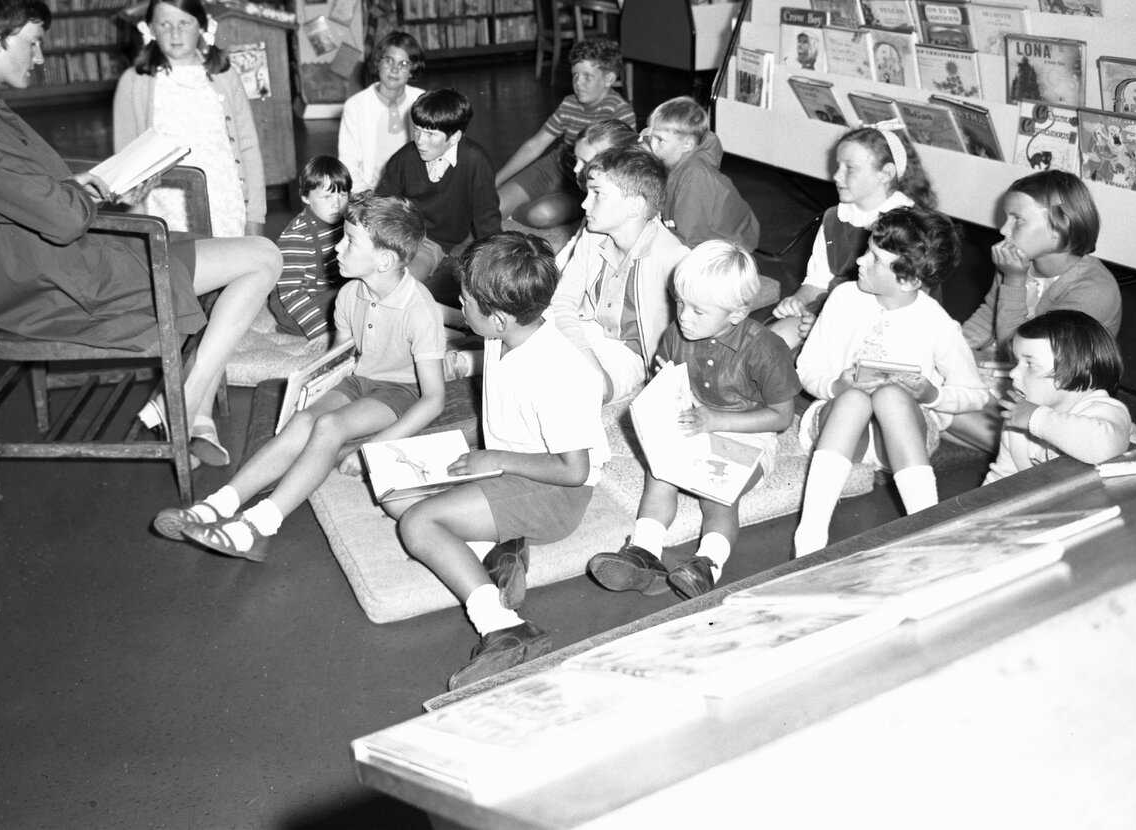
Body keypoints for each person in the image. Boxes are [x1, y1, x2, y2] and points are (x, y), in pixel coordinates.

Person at [0, 0, 281, 468]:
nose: (39, 58)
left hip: (74, 262)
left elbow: (33, 191)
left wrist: (94, 182)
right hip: (65, 285)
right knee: (262, 259)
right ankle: (184, 399)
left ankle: (183, 397)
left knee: (247, 257)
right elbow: (64, 216)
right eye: (32, 42)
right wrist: (94, 191)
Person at [157, 194, 446, 557]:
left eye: (349, 241)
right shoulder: (349, 294)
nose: (337, 247)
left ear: (384, 260)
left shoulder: (421, 312)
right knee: (303, 420)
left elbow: (434, 399)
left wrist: (374, 450)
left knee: (328, 427)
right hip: (359, 380)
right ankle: (219, 504)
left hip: (400, 393)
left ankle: (260, 526)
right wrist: (313, 388)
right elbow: (342, 361)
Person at [393, 233, 609, 691]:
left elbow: (577, 471)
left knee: (417, 525)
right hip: (509, 469)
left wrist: (495, 458)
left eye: (466, 303)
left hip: (555, 494)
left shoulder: (558, 372)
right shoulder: (504, 332)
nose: (461, 307)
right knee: (399, 490)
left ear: (499, 317)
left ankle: (503, 627)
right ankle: (501, 547)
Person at [587, 242, 798, 600]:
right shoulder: (678, 333)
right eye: (680, 302)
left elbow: (781, 417)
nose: (683, 316)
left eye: (698, 310)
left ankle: (706, 564)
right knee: (660, 472)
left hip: (750, 434)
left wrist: (715, 420)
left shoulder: (765, 348)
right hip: (694, 418)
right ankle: (644, 552)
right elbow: (666, 382)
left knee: (717, 493)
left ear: (737, 313)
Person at [791, 206, 987, 557]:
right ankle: (809, 542)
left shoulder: (936, 323)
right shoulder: (843, 298)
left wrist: (931, 393)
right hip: (839, 426)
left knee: (892, 397)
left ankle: (927, 528)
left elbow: (975, 395)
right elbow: (808, 367)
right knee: (854, 400)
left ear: (909, 280)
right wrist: (838, 386)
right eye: (867, 250)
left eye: (875, 259)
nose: (860, 261)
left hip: (901, 438)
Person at [953, 170, 1122, 453]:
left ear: (1059, 227)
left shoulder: (1094, 289)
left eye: (1017, 219)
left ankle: (1033, 446)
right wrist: (952, 349)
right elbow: (989, 313)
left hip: (1051, 386)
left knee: (937, 402)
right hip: (1009, 369)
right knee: (928, 376)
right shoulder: (1020, 261)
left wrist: (1014, 281)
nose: (1003, 230)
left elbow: (1018, 350)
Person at [112, 0, 266, 238]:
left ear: (203, 26)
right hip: (165, 211)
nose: (175, 33)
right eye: (165, 25)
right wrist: (139, 219)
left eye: (185, 23)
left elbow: (248, 148)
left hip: (226, 203)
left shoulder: (224, 76)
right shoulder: (135, 82)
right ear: (150, 29)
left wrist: (256, 218)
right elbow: (126, 159)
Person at [770, 124, 933, 349]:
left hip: (887, 324)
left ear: (885, 174)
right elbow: (818, 281)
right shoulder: (835, 217)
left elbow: (897, 306)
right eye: (838, 166)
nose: (836, 175)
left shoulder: (908, 225)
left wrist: (827, 326)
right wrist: (798, 301)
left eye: (850, 168)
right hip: (834, 307)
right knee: (772, 343)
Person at [548, 146, 689, 402]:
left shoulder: (673, 257)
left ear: (635, 205)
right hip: (586, 328)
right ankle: (471, 362)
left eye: (597, 194)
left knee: (580, 391)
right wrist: (584, 353)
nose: (584, 203)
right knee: (517, 343)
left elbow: (695, 327)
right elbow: (563, 301)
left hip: (628, 352)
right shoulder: (593, 233)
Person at [494, 38, 635, 228]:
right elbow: (534, 145)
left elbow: (622, 170)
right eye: (575, 75)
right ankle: (524, 202)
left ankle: (519, 213)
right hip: (556, 166)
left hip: (584, 185)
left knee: (542, 214)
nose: (578, 83)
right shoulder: (569, 103)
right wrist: (495, 180)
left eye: (587, 76)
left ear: (609, 79)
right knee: (493, 207)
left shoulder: (621, 113)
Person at [376, 88, 501, 296]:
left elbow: (487, 218)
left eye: (430, 134)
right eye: (417, 129)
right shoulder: (405, 157)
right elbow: (383, 204)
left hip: (433, 240)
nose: (420, 140)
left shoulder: (475, 160)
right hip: (399, 232)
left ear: (455, 137)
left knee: (400, 284)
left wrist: (495, 261)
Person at [985, 310, 1134, 483]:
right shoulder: (1018, 418)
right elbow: (1002, 478)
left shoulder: (1104, 410)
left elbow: (1105, 449)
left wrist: (1036, 419)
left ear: (1078, 368)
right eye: (1017, 362)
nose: (1013, 373)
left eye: (1030, 364)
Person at [645, 96, 760, 252]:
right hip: (698, 239)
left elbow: (690, 241)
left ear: (687, 144)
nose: (651, 145)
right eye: (651, 137)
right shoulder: (676, 157)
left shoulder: (695, 177)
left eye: (659, 140)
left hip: (724, 251)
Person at [268, 156, 351, 340]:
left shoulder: (346, 222)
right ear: (305, 197)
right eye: (327, 196)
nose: (337, 204)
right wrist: (321, 333)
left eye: (342, 195)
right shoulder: (297, 235)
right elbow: (290, 293)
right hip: (298, 303)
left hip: (332, 290)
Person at [338, 31, 426, 192]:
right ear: (378, 63)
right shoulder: (356, 106)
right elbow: (348, 161)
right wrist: (366, 199)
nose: (395, 69)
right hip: (372, 192)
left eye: (404, 64)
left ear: (412, 70)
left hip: (414, 190)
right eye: (388, 60)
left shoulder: (422, 100)